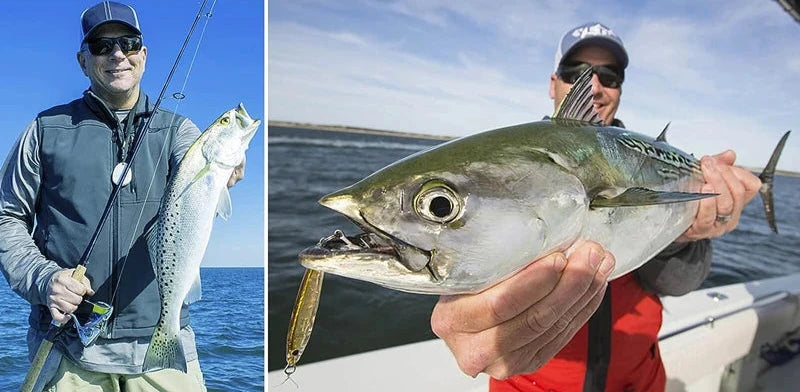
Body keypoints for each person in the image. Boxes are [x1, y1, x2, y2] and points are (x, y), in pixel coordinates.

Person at [431, 22, 762, 391]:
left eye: (610, 76)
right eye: (577, 73)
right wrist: (473, 320)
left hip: (641, 380)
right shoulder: (505, 170)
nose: (594, 87)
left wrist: (689, 234)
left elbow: (679, 283)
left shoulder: (649, 160)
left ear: (620, 89)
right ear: (553, 83)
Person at [0, 2, 244, 390]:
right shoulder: (44, 130)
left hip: (164, 344)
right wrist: (45, 279)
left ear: (143, 55)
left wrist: (223, 174)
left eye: (129, 43)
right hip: (68, 346)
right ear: (83, 60)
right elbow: (6, 217)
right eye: (101, 46)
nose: (117, 54)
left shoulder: (180, 132)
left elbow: (200, 188)